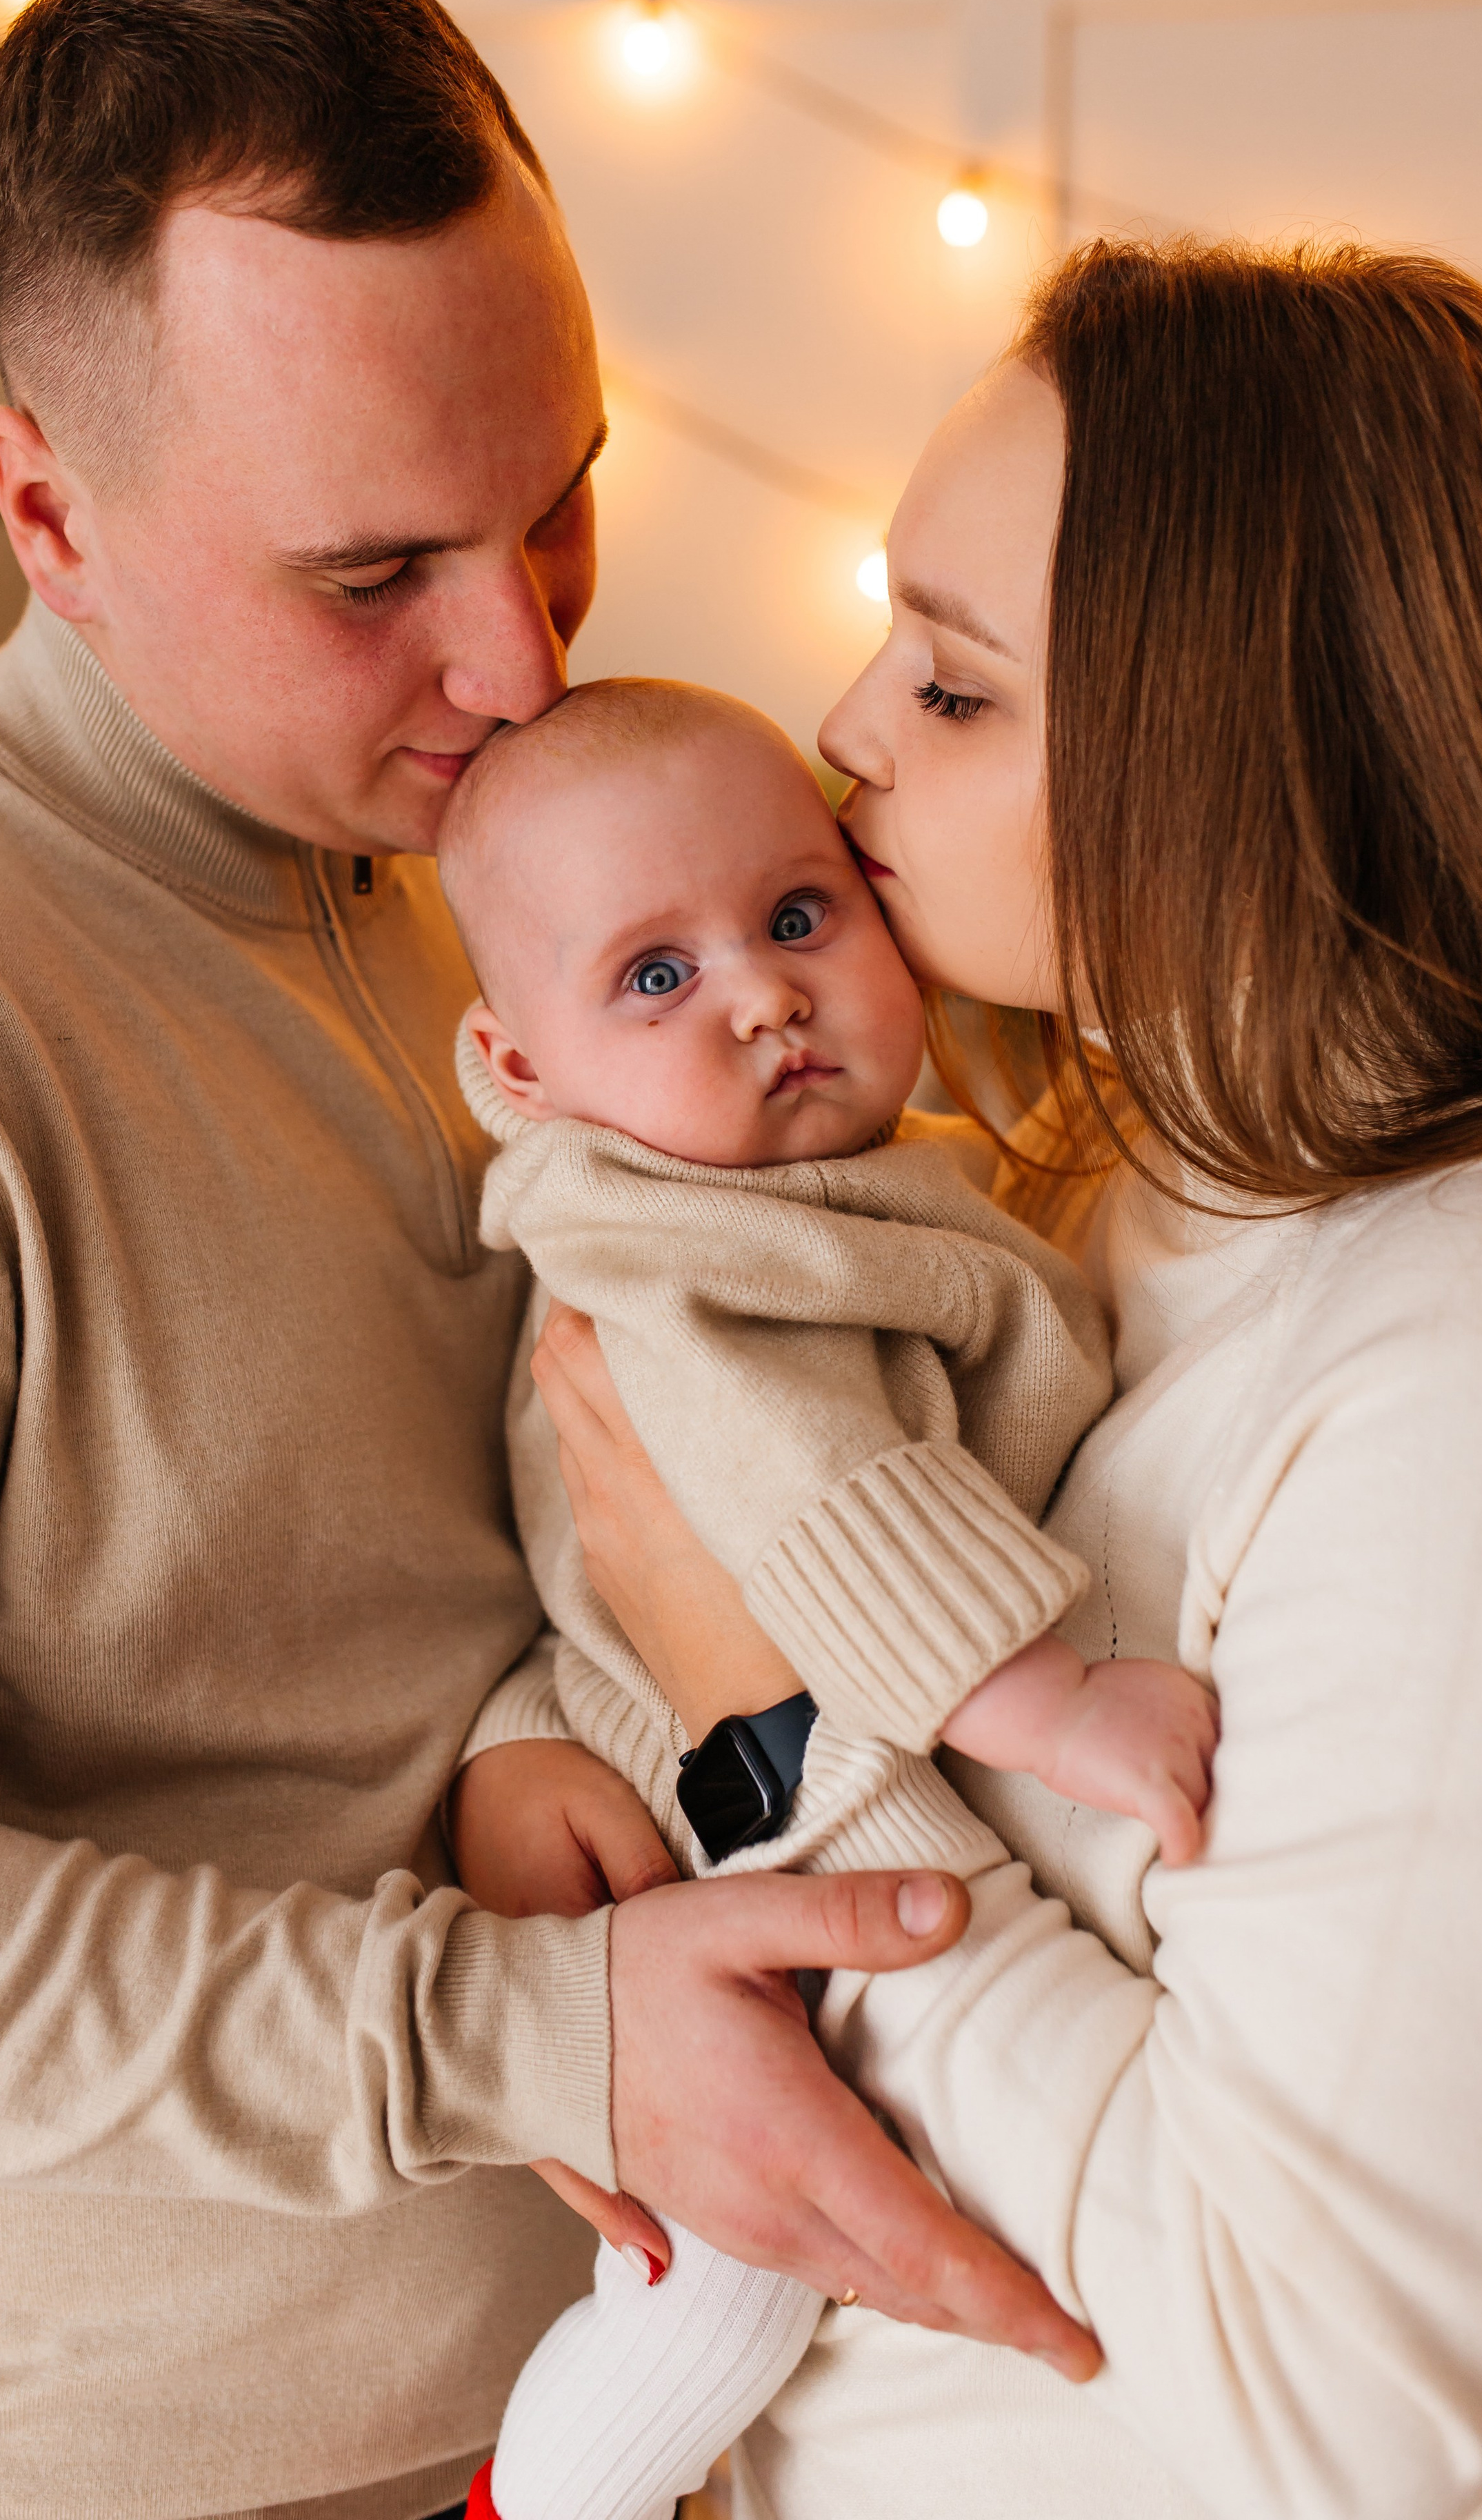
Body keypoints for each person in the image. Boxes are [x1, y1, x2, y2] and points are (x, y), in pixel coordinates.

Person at [0, 0, 1088, 2520]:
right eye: (371, 573)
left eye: (559, 499)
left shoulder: (517, 882)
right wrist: (535, 2035)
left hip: (663, 2424)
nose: (517, 659)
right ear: (44, 506)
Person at [521, 237, 1482, 2519]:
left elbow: (1340, 2401)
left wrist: (774, 1733)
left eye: (960, 687)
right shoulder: (1098, 1193)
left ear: (1234, 760)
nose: (847, 722)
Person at [433, 675, 1215, 2519]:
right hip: (709, 1804)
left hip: (769, 1728)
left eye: (799, 918)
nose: (764, 994)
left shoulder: (883, 1177)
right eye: (655, 977)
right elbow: (811, 1491)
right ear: (518, 1070)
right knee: (727, 2291)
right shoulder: (668, 1247)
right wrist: (1050, 1704)